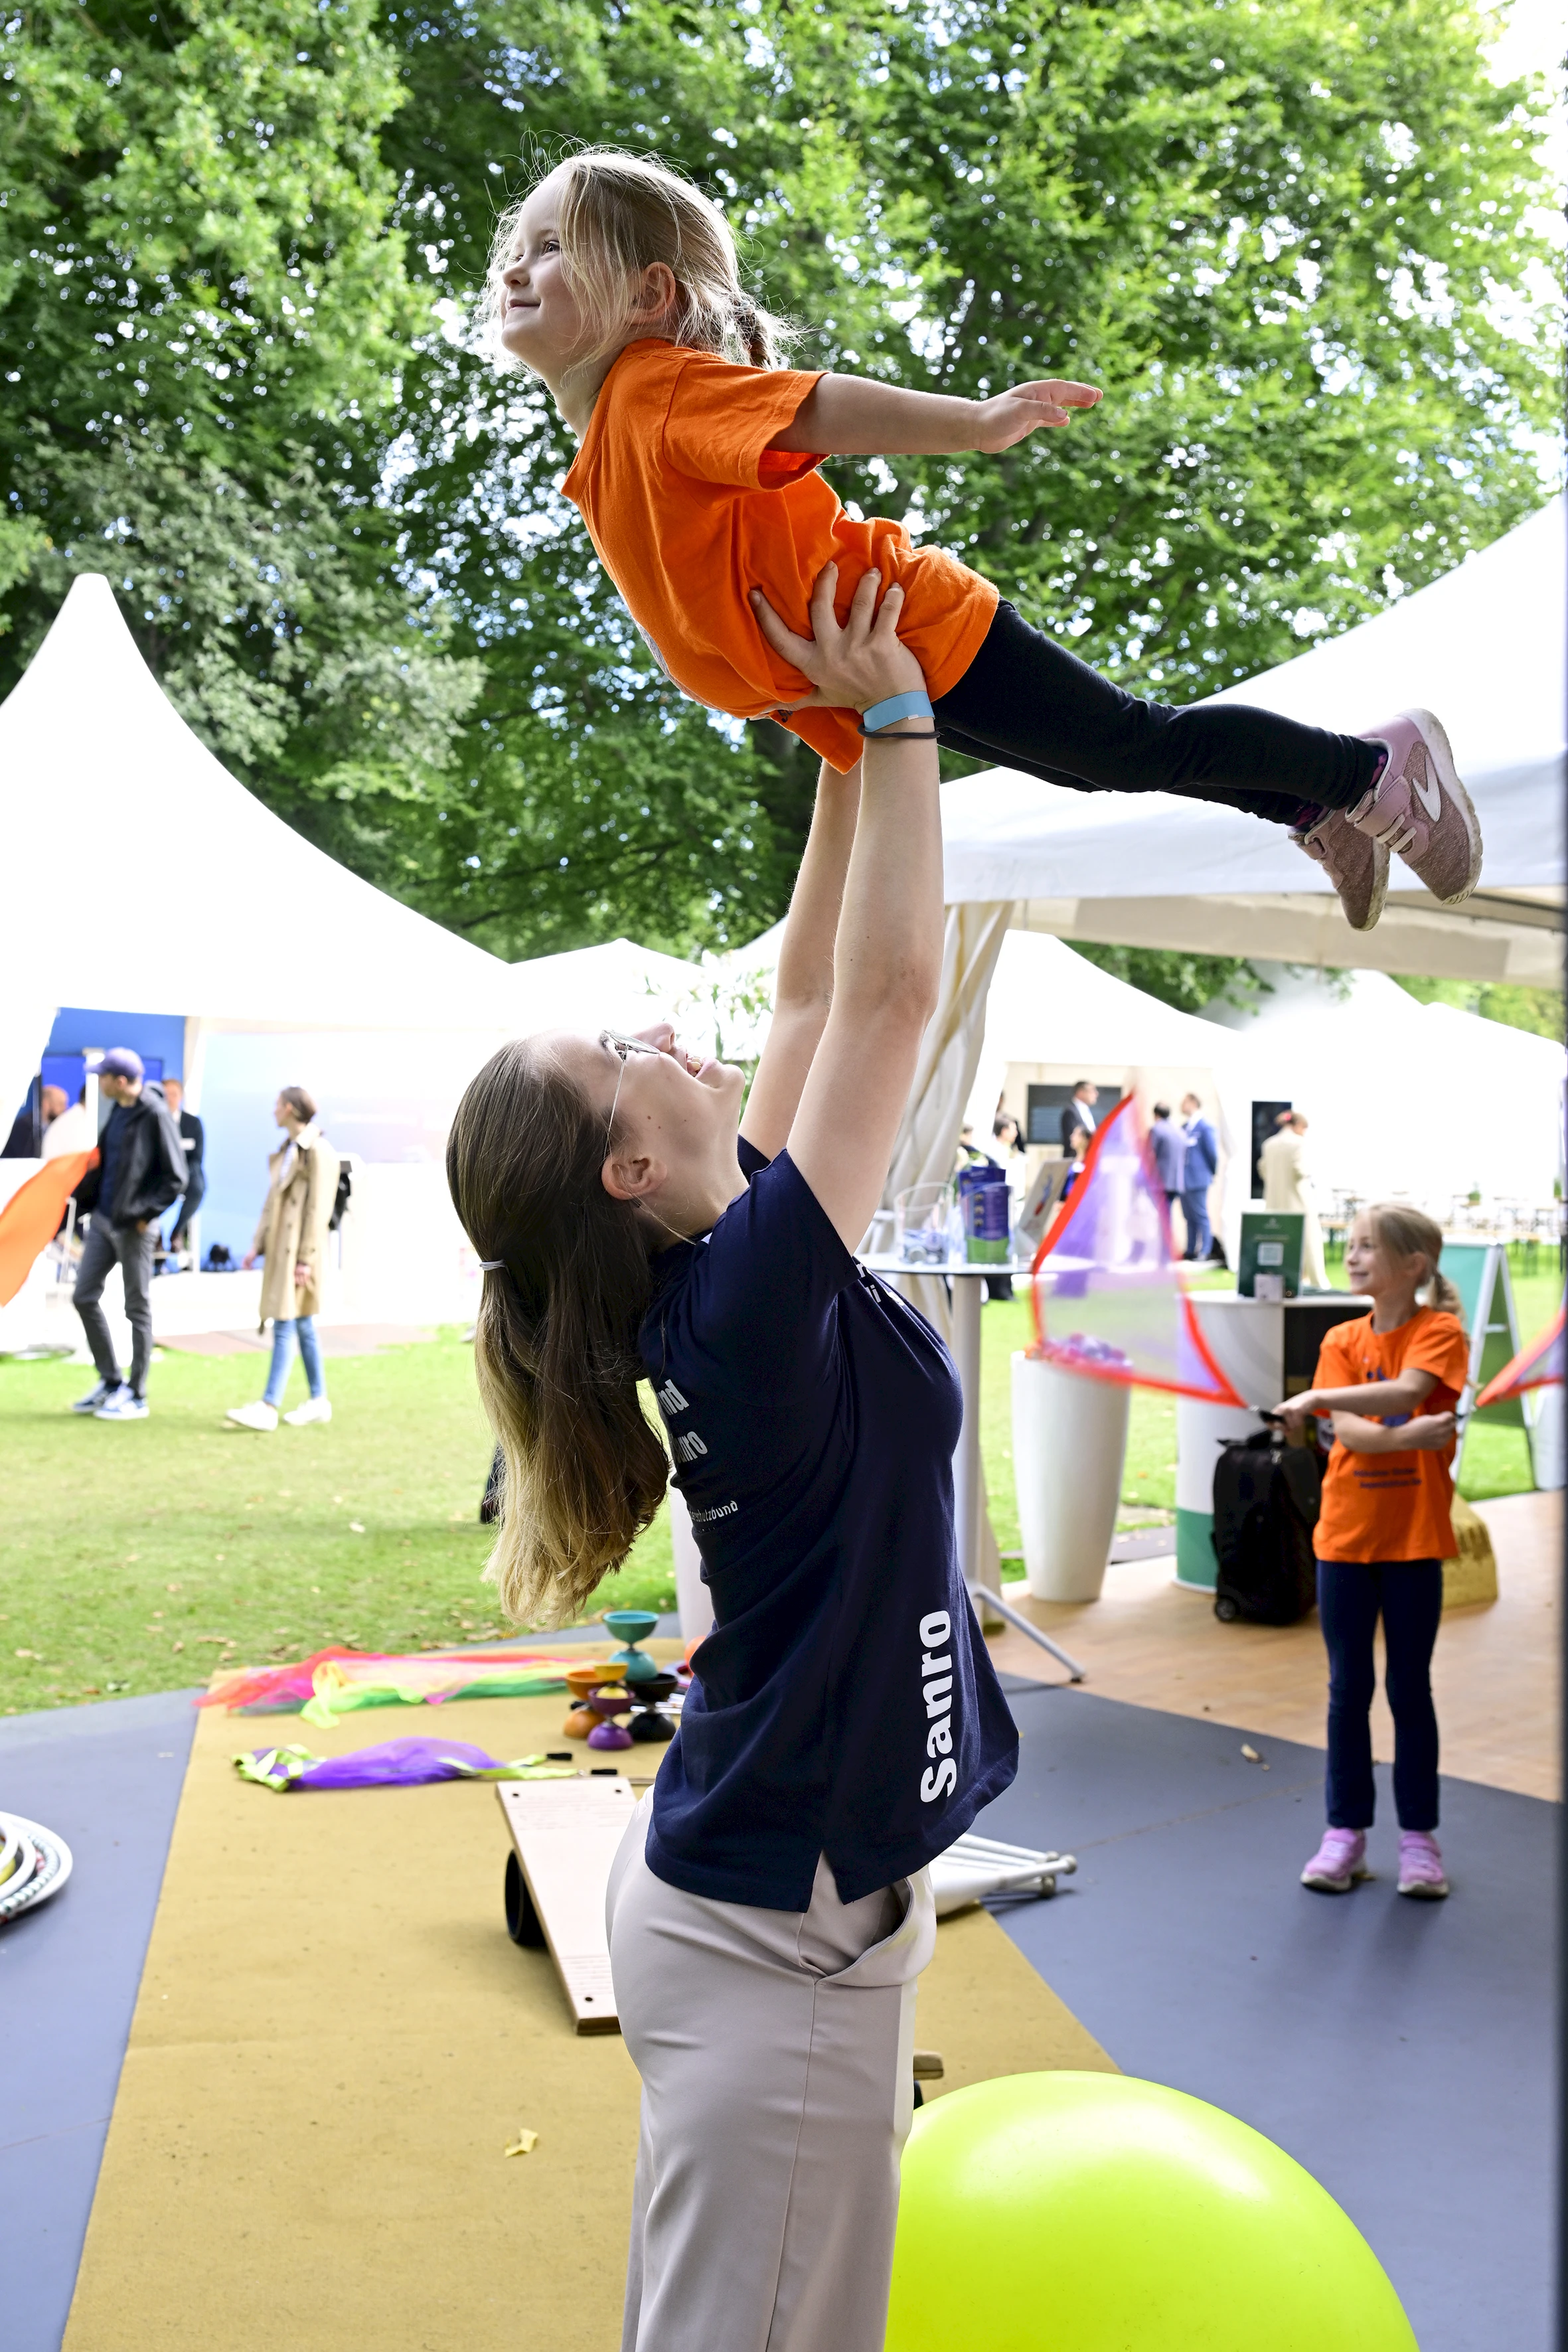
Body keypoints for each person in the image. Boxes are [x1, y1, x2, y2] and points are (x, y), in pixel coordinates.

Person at [446, 564, 1017, 2352]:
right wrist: (911, 709)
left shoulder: (734, 1243)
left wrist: (838, 748)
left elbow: (802, 1003)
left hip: (776, 1905)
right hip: (776, 1944)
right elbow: (886, 1002)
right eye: (622, 1056)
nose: (660, 1035)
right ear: (628, 1165)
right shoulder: (749, 1302)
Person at [487, 147, 1483, 938]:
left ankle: (1369, 767)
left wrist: (971, 421)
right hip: (870, 667)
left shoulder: (653, 388)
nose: (517, 267)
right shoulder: (615, 435)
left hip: (912, 626)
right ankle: (1308, 805)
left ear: (648, 295)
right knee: (1100, 764)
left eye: (550, 246)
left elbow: (815, 409)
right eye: (513, 251)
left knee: (1129, 742)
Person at [1275, 1204, 1469, 1901]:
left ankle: (1419, 1841)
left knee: (1409, 1689)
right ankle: (1344, 1836)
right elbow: (1354, 1434)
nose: (1351, 1257)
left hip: (1413, 1541)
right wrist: (1406, 1437)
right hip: (1345, 1542)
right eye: (1349, 1246)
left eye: (1367, 1248)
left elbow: (1407, 1392)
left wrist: (1323, 1398)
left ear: (1412, 1266)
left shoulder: (1439, 1332)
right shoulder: (1339, 1338)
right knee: (1345, 1689)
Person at [70, 1050, 187, 1421]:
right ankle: (110, 1382)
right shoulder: (118, 1111)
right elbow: (106, 1163)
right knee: (84, 1296)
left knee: (136, 1309)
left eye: (102, 1077)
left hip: (134, 1229)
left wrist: (144, 1215)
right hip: (104, 1222)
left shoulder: (155, 1114)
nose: (98, 1082)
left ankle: (137, 1394)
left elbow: (176, 1178)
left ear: (119, 1081)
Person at [226, 1087, 339, 1431]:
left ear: (289, 1109)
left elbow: (319, 1209)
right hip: (284, 1251)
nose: (273, 1111)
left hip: (299, 1254)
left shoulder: (318, 1151)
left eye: (277, 1105)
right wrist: (257, 1244)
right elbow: (272, 1201)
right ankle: (318, 1399)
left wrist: (305, 1258)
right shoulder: (291, 1150)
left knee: (287, 1323)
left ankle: (269, 1404)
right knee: (300, 1322)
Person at [1259, 1109, 1328, 1289]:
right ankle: (1317, 1283)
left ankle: (1283, 1283)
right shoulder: (1299, 1144)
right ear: (1298, 1126)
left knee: (1279, 1246)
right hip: (1299, 1202)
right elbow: (1301, 1170)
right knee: (1310, 1242)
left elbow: (1263, 1169)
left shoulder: (1269, 1144)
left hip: (1275, 1204)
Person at [161, 1077, 206, 1255]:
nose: (170, 1098)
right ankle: (155, 1235)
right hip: (160, 1176)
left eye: (174, 1094)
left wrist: (181, 1174)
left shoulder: (193, 1123)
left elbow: (197, 1157)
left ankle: (177, 1231)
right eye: (166, 1094)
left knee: (198, 1189)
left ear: (181, 1097)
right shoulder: (154, 1121)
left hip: (187, 1174)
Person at [1180, 1091, 1218, 1262]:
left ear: (1193, 1103)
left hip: (1199, 1178)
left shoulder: (1204, 1127)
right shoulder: (1184, 1127)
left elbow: (1212, 1154)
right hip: (1185, 1179)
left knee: (1201, 1214)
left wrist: (1210, 1173)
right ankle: (1190, 1249)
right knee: (1189, 1216)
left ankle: (1205, 1249)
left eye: (1185, 1102)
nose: (1182, 1105)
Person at [1148, 1101, 1185, 1210]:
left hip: (1161, 1181)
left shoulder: (1157, 1129)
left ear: (1156, 1115)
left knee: (1160, 1215)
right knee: (1167, 1213)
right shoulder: (1179, 1131)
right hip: (1176, 1181)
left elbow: (1150, 1153)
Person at [1061, 1079, 1098, 1154]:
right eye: (1092, 1091)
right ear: (1081, 1093)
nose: (1096, 1094)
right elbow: (1072, 1142)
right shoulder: (1070, 1112)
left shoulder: (1087, 1112)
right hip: (1076, 1159)